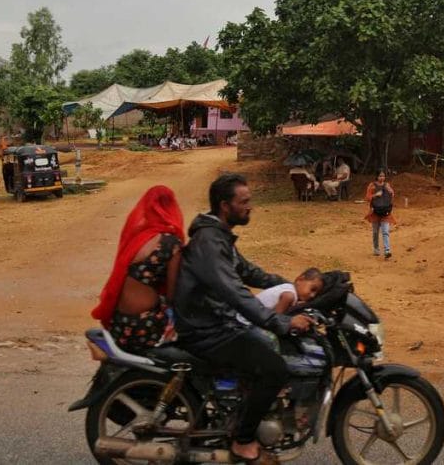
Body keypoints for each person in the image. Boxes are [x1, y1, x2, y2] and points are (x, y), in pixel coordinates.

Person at [173, 173, 312, 465]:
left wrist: (292, 289)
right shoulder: (209, 243)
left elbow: (250, 273)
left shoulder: (219, 236)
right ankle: (243, 441)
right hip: (207, 330)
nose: (251, 207)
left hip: (218, 323)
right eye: (244, 202)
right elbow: (236, 293)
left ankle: (244, 413)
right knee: (274, 368)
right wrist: (282, 322)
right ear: (225, 206)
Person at [92, 186, 185, 353]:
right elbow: (173, 294)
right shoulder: (171, 243)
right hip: (144, 326)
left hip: (118, 323)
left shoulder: (138, 237)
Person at [365, 169, 396, 259]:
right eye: (380, 176)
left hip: (385, 212)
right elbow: (367, 198)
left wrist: (391, 192)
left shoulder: (387, 185)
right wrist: (375, 195)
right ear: (376, 177)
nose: (382, 178)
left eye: (383, 176)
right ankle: (376, 249)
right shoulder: (372, 186)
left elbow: (392, 195)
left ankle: (387, 250)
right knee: (375, 232)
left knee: (385, 231)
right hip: (375, 212)